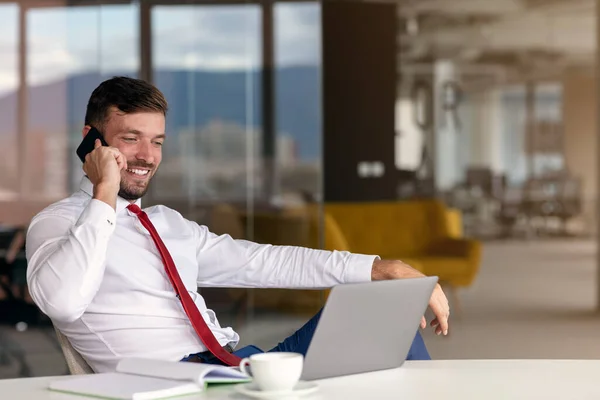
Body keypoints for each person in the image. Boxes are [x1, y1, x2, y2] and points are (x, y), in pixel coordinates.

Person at [25, 77, 450, 373]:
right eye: (130, 138)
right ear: (91, 140)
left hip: (241, 367)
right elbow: (62, 303)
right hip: (173, 384)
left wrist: (380, 267)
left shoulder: (168, 224)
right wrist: (104, 192)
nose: (147, 156)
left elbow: (264, 262)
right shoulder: (58, 225)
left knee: (383, 317)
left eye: (156, 142)